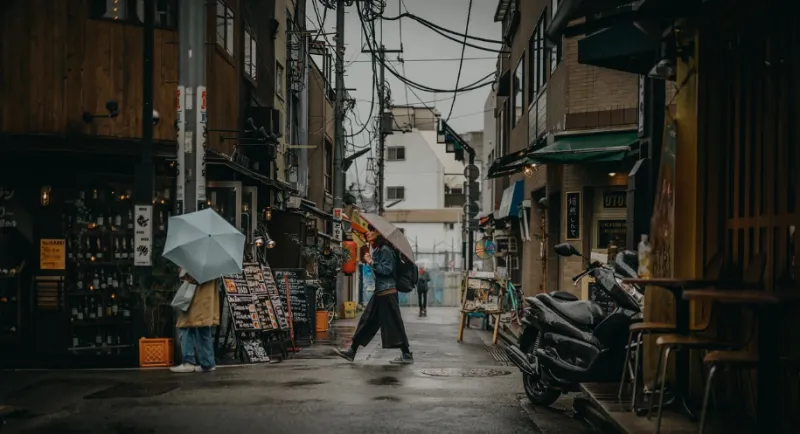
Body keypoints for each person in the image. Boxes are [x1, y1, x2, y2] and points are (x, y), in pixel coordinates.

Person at [334, 225, 413, 364]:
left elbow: (386, 270)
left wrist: (371, 262)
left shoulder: (386, 250)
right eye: (369, 230)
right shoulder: (380, 249)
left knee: (394, 324)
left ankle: (406, 354)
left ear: (379, 233)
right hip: (381, 293)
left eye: (372, 231)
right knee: (367, 321)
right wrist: (372, 260)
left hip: (387, 293)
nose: (368, 233)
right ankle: (352, 351)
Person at [170, 269, 221, 373]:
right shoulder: (214, 265)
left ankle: (188, 362)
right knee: (203, 328)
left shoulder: (199, 263)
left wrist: (183, 273)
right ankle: (207, 363)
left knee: (185, 326)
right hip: (207, 299)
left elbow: (194, 278)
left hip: (196, 297)